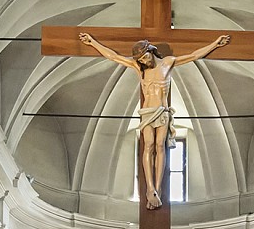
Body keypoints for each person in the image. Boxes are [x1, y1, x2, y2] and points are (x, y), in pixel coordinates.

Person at [79, 31, 230, 209]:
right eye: (141, 60)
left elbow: (194, 55)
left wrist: (215, 44)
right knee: (148, 146)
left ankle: (157, 188)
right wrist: (92, 42)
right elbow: (114, 56)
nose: (144, 61)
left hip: (162, 111)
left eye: (145, 57)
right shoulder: (139, 68)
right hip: (147, 112)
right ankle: (149, 188)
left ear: (151, 51)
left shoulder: (168, 63)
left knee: (160, 146)